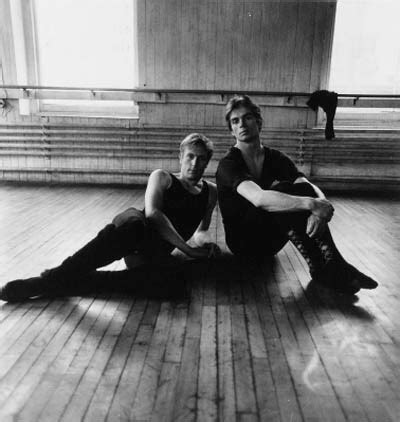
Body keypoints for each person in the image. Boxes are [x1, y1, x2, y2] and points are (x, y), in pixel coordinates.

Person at [1, 133, 220, 302]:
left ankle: (74, 282)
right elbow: (153, 214)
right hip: (136, 227)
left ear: (207, 162)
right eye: (190, 156)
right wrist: (188, 249)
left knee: (175, 284)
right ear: (180, 157)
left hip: (153, 251)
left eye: (201, 159)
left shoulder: (210, 192)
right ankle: (46, 281)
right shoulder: (162, 177)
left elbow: (202, 230)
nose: (194, 164)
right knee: (134, 227)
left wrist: (208, 245)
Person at [216, 95, 378, 295]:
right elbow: (259, 198)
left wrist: (320, 206)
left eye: (247, 118)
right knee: (282, 192)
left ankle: (323, 266)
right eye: (235, 121)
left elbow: (307, 186)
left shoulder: (275, 157)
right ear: (231, 129)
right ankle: (334, 265)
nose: (242, 124)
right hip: (244, 244)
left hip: (271, 243)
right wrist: (311, 205)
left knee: (294, 190)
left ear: (258, 121)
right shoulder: (228, 164)